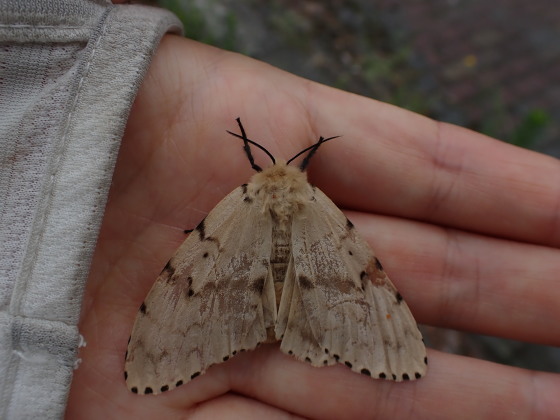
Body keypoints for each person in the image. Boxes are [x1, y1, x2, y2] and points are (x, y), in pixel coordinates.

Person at [2, 2, 559, 419]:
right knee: (358, 277)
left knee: (193, 275)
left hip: (233, 231)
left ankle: (307, 332)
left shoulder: (241, 199)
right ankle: (278, 328)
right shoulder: (317, 202)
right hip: (313, 230)